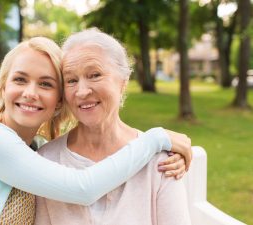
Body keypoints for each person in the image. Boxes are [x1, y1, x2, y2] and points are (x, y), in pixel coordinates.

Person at [0, 37, 191, 225]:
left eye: (46, 84)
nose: (30, 93)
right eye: (20, 79)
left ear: (58, 101)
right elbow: (82, 188)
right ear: (3, 87)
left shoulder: (35, 151)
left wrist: (158, 149)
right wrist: (156, 139)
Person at [35, 29, 192, 225]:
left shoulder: (161, 162)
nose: (82, 92)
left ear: (123, 82)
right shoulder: (46, 160)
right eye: (71, 80)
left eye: (94, 75)